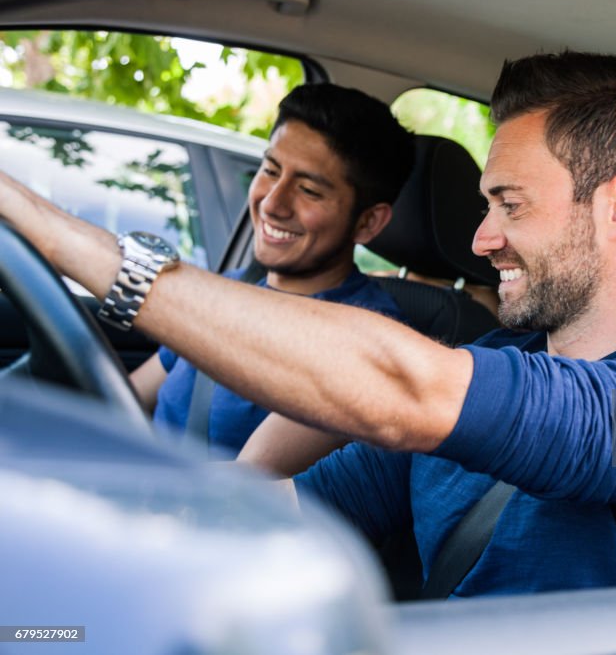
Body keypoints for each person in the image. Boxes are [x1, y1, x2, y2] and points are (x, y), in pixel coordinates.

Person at [0, 50, 616, 597]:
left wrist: (80, 246)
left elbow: (406, 387)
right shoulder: (487, 363)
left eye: (510, 204)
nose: (481, 239)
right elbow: (278, 512)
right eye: (485, 206)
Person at [130, 83, 414, 457]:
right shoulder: (228, 288)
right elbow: (122, 400)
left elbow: (247, 482)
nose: (272, 203)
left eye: (309, 190)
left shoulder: (366, 345)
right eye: (270, 170)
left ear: (368, 223)